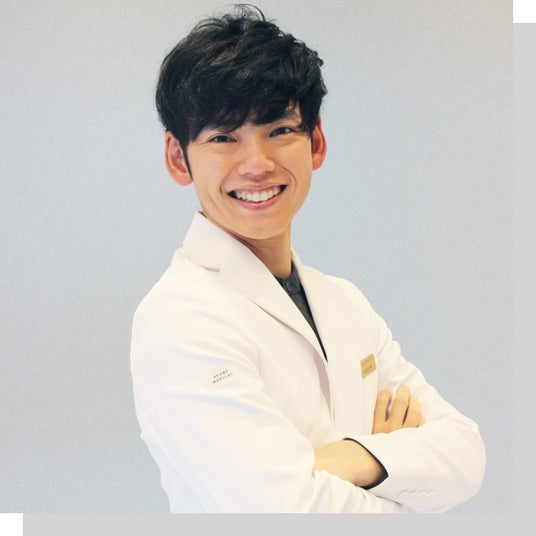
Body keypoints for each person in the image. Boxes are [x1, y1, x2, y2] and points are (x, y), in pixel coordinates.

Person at [130, 4, 486, 513]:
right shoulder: (180, 318)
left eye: (279, 130)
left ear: (316, 142)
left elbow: (466, 454)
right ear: (177, 158)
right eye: (223, 138)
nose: (256, 164)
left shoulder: (344, 303)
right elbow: (282, 510)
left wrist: (352, 457)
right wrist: (398, 474)